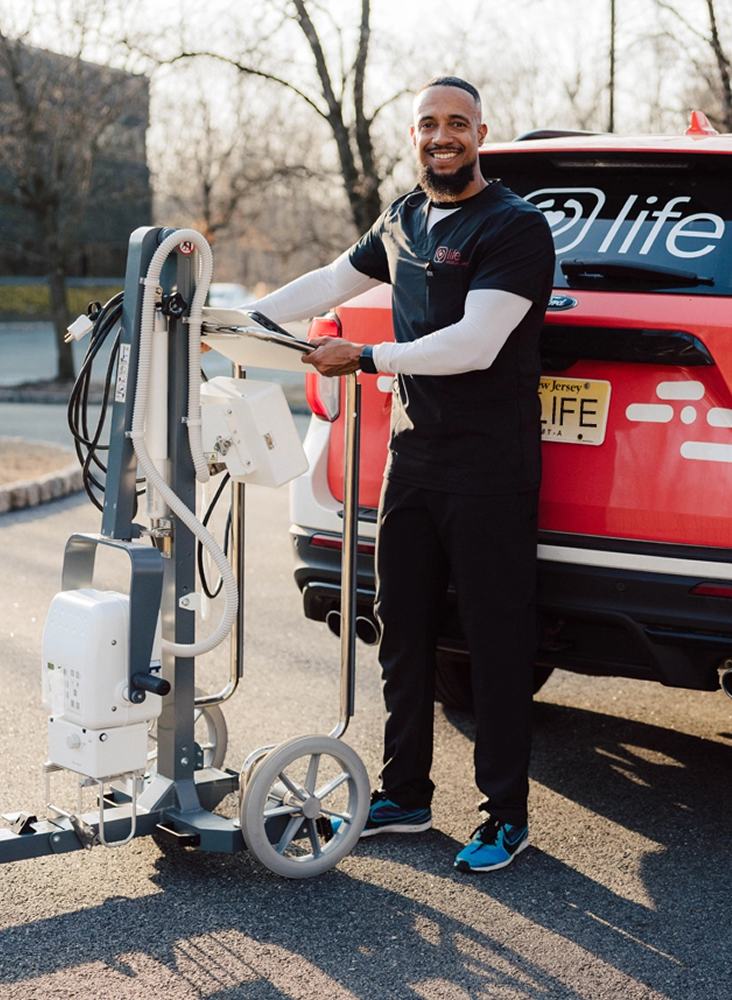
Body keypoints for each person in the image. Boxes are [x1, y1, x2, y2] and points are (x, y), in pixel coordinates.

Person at [247, 76, 555, 873]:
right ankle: (406, 796)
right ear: (413, 135)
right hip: (412, 462)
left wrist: (369, 356)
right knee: (403, 633)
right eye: (428, 124)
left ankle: (504, 817)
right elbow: (326, 283)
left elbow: (474, 343)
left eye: (457, 123)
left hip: (491, 468)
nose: (441, 136)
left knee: (493, 642)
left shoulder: (514, 227)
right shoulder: (403, 216)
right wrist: (244, 320)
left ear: (482, 133)